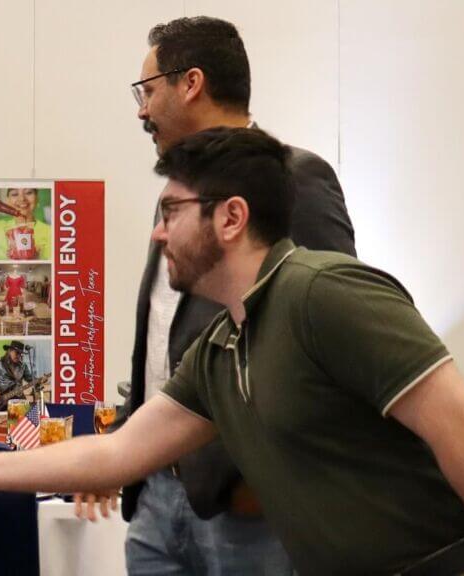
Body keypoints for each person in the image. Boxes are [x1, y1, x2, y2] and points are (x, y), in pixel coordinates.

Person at [0, 128, 464, 576]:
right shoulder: (221, 347)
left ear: (231, 217)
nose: (159, 234)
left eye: (172, 212)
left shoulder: (324, 292)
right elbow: (119, 454)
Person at [85, 15, 358, 575]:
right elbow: (165, 340)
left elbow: (337, 334)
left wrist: (262, 481)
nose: (141, 110)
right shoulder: (177, 192)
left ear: (191, 83)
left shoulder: (293, 179)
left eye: (148, 90)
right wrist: (123, 447)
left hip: (249, 515)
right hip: (157, 501)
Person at [0, 188, 53, 260]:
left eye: (28, 193)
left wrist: (38, 259)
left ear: (37, 198)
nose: (22, 199)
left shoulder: (52, 232)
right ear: (7, 201)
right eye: (15, 194)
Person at [0, 341, 35, 412]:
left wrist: (39, 380)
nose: (19, 356)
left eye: (20, 354)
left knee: (26, 417)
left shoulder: (23, 366)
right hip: (0, 399)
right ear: (10, 351)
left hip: (18, 399)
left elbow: (30, 379)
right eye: (17, 353)